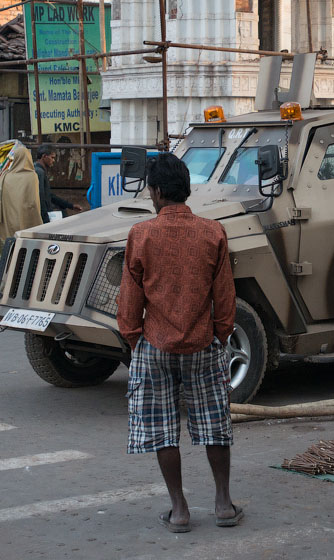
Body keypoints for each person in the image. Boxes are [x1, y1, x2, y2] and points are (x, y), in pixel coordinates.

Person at [117, 153, 241, 533]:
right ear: (186, 189)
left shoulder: (142, 234)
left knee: (161, 427)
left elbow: (129, 302)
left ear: (155, 191)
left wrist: (135, 339)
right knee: (214, 424)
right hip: (203, 345)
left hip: (154, 345)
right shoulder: (213, 232)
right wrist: (218, 336)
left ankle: (180, 508)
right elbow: (225, 298)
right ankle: (222, 503)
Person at [0, 147, 42, 271]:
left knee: (10, 254)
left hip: (7, 223)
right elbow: (33, 203)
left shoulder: (5, 176)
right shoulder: (32, 176)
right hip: (27, 221)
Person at [34, 144, 82, 223]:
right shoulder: (39, 172)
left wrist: (70, 206)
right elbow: (41, 197)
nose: (53, 160)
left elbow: (49, 195)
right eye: (52, 157)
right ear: (44, 156)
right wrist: (45, 219)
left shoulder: (39, 170)